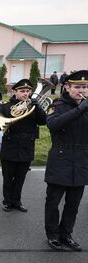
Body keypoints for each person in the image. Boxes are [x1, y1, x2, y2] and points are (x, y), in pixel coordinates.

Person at [44, 70, 88, 251]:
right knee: (53, 202)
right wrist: (80, 110)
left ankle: (66, 234)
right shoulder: (57, 105)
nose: (81, 91)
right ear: (67, 87)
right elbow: (53, 125)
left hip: (81, 160)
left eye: (84, 87)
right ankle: (53, 234)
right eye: (77, 87)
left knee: (73, 203)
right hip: (61, 159)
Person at [0, 79, 46, 212]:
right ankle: (7, 201)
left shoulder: (33, 107)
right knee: (8, 178)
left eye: (28, 91)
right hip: (10, 147)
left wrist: (37, 107)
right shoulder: (5, 107)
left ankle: (17, 201)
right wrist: (9, 117)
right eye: (22, 91)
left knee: (20, 178)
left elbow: (43, 121)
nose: (26, 94)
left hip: (27, 147)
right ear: (14, 92)